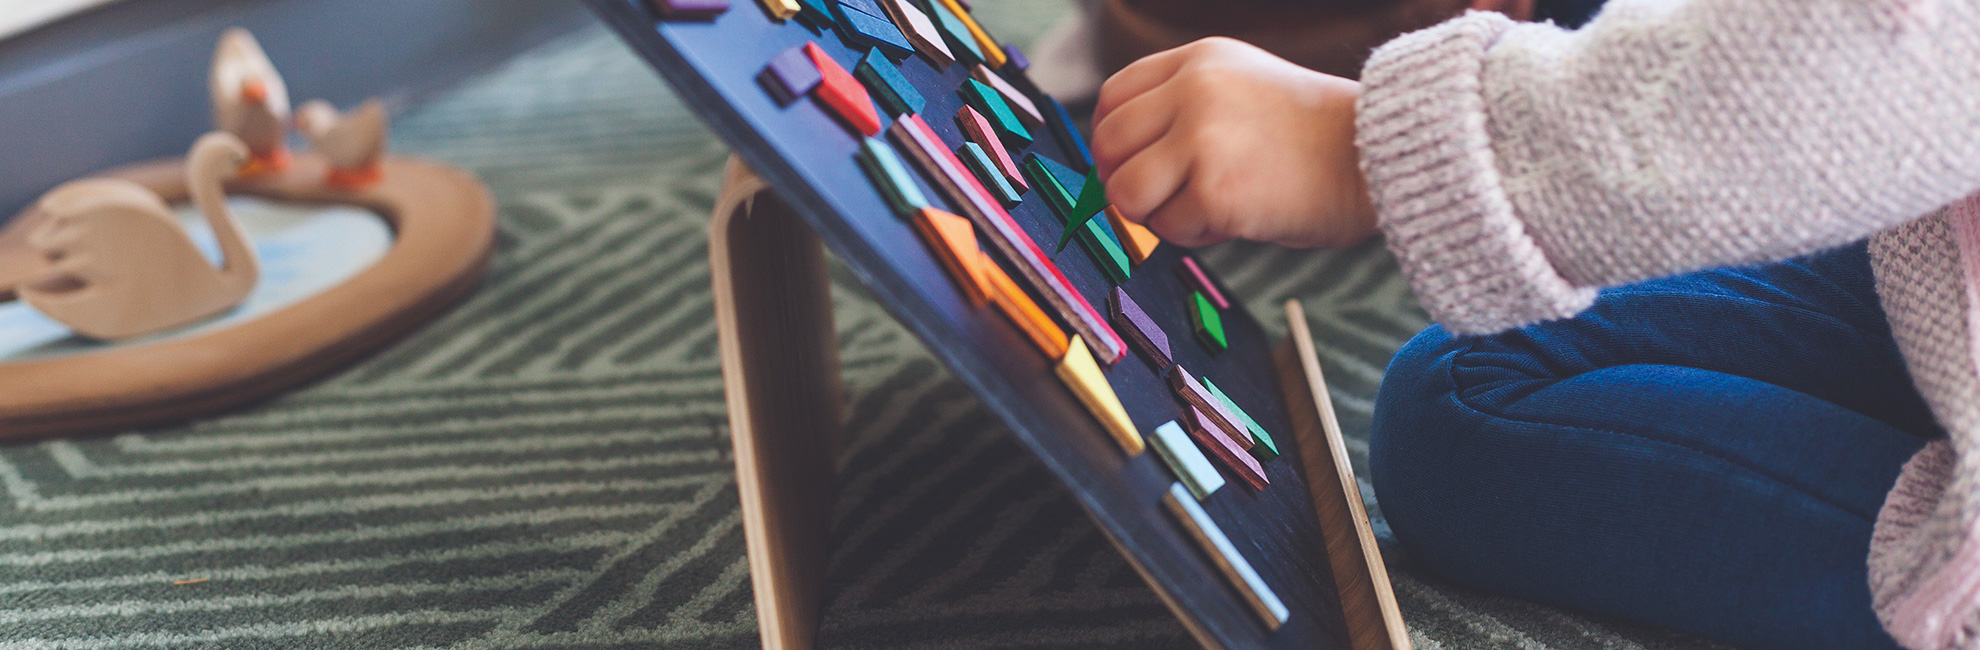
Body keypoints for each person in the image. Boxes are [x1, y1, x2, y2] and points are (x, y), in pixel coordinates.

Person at [1083, 0, 1980, 649]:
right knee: (1474, 373)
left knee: (1456, 435)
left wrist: (1364, 149)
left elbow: (1909, 51)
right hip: (1935, 240)